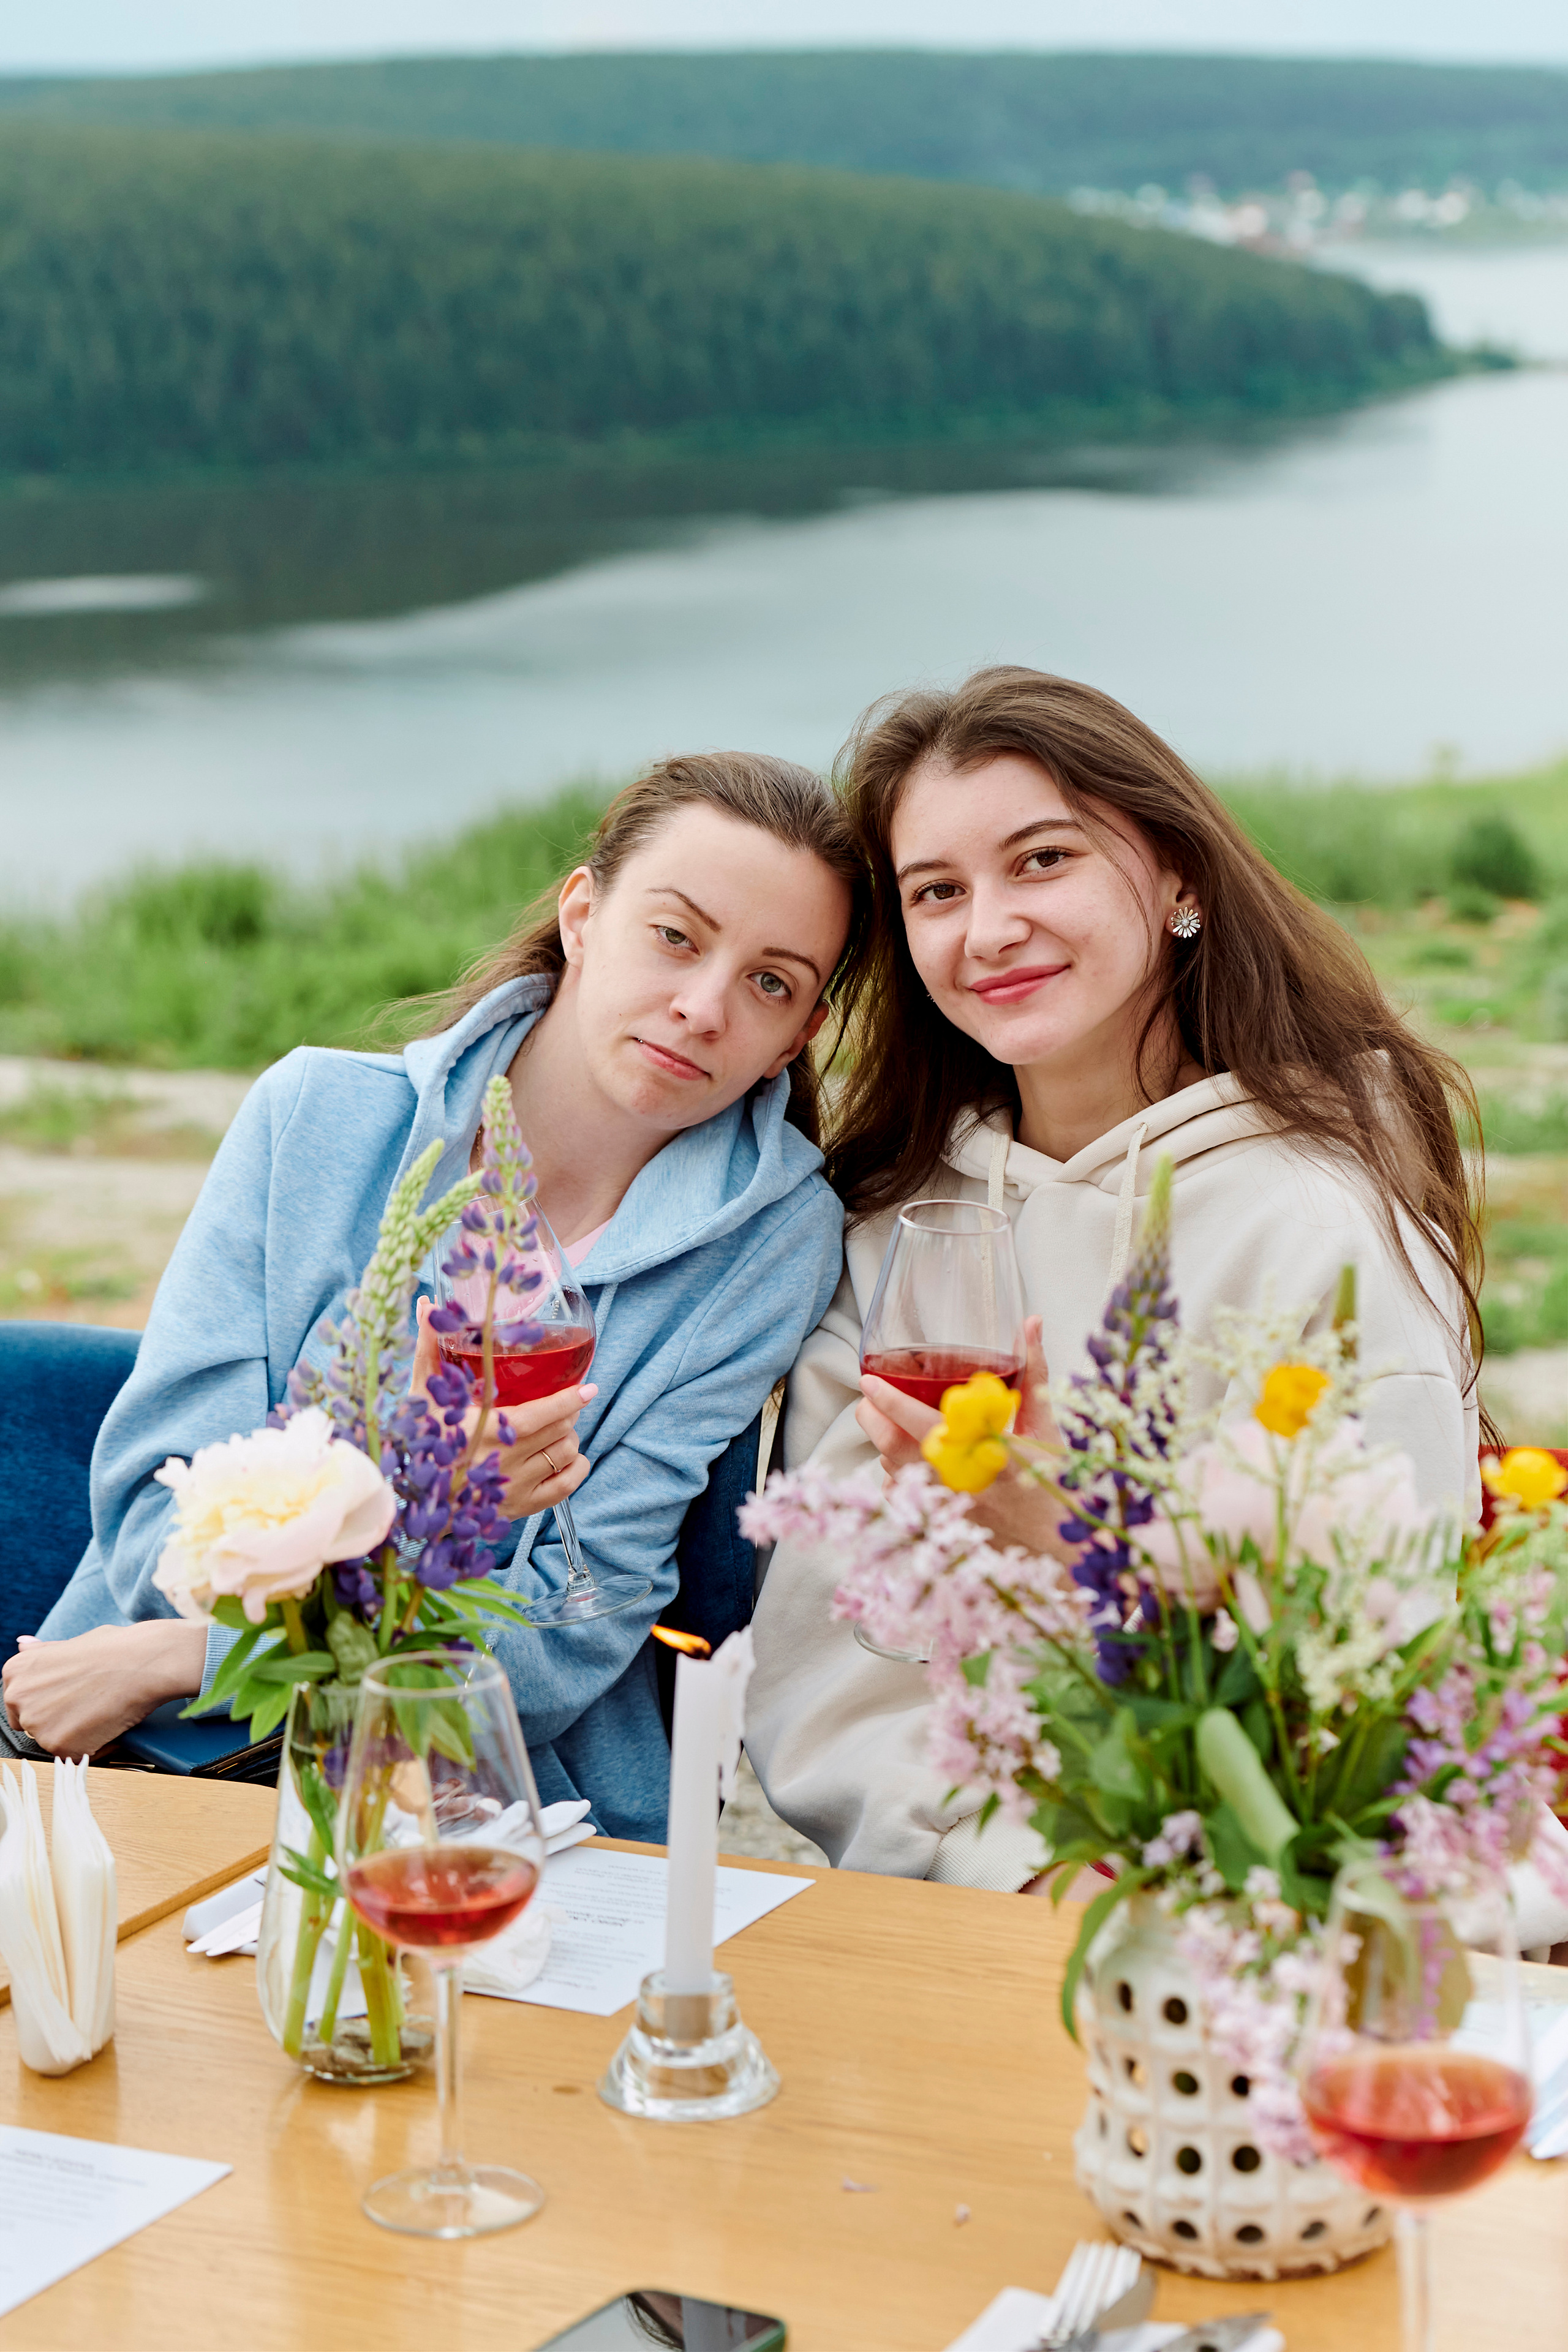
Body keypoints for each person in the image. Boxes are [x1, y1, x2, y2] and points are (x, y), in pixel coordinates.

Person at [2, 752, 864, 1844]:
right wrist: (419, 1504)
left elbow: (568, 1642)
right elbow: (152, 1533)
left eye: (770, 982)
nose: (703, 1008)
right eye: (675, 936)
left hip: (496, 1806)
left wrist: (201, 1655)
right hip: (157, 1768)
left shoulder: (771, 1244)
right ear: (584, 915)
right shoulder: (311, 1118)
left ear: (800, 1033)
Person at [745, 666, 1484, 1891]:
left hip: (1236, 1928)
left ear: (1177, 878)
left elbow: (1375, 1690)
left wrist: (1075, 1541)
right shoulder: (891, 1226)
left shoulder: (1318, 1221)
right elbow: (821, 1672)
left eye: (1042, 860)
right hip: (953, 1923)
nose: (985, 929)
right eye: (936, 891)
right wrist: (1015, 1874)